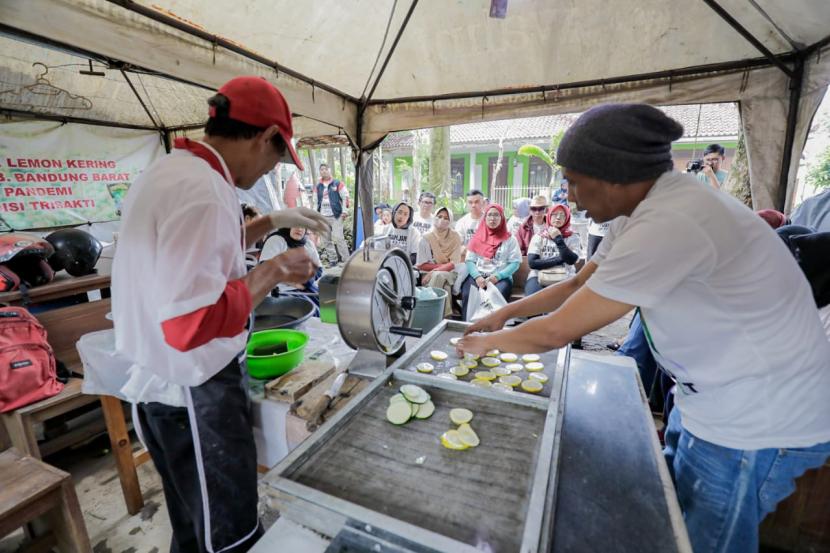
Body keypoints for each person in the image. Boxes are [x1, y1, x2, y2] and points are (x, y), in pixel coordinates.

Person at [457, 103, 830, 553]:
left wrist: (485, 345)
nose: (569, 198)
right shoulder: (639, 209)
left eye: (575, 182)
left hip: (757, 416)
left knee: (707, 541)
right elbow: (578, 282)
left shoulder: (672, 220)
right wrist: (499, 315)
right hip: (709, 397)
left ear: (614, 176)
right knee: (676, 518)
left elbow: (557, 332)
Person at [112, 76, 330, 553]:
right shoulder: (205, 190)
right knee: (227, 537)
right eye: (279, 155)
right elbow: (192, 324)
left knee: (193, 529)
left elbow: (197, 263)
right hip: (195, 397)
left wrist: (269, 223)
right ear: (264, 136)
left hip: (159, 392)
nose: (274, 169)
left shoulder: (170, 170)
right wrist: (273, 270)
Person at [460, 203, 521, 320]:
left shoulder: (510, 239)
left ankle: (492, 331)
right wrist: (477, 277)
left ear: (502, 218)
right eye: (490, 215)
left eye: (496, 215)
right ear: (485, 217)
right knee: (468, 294)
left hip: (501, 277)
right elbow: (469, 261)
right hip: (477, 276)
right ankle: (467, 327)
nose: (493, 218)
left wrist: (498, 276)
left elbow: (515, 263)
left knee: (495, 296)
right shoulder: (477, 237)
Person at [524, 204, 580, 296]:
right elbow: (533, 263)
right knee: (534, 300)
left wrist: (558, 239)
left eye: (562, 215)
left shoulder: (573, 237)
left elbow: (571, 260)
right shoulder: (539, 236)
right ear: (549, 215)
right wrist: (560, 259)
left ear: (567, 217)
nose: (558, 217)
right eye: (555, 214)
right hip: (538, 275)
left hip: (566, 276)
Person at [416, 206, 463, 317]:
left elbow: (453, 263)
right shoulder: (426, 238)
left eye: (446, 218)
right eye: (439, 216)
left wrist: (435, 270)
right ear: (434, 217)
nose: (442, 220)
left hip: (450, 272)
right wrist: (436, 270)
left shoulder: (455, 236)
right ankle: (446, 317)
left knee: (438, 276)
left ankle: (426, 314)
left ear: (451, 220)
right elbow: (421, 265)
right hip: (426, 274)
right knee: (445, 286)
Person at [260, 227, 323, 306]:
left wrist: (308, 279)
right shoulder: (276, 240)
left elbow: (319, 269)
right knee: (306, 311)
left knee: (328, 307)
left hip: (306, 288)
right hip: (281, 290)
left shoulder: (308, 244)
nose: (299, 229)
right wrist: (293, 281)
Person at [315, 162, 350, 266]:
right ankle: (333, 260)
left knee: (339, 237)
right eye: (321, 169)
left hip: (336, 215)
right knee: (326, 239)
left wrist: (345, 211)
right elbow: (315, 200)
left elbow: (345, 197)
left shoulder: (337, 183)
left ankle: (346, 260)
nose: (323, 171)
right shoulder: (318, 186)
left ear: (329, 170)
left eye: (325, 169)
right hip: (322, 216)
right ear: (320, 172)